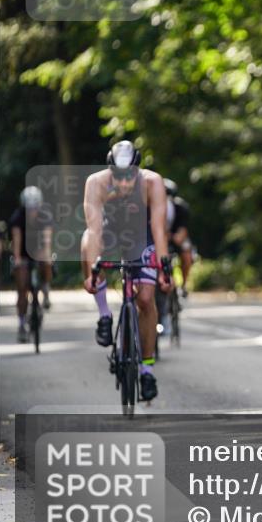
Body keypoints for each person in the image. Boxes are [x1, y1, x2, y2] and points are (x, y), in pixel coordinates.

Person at [81, 141, 172, 401]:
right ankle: (104, 315)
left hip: (141, 237)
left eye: (129, 176)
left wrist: (165, 268)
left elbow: (158, 228)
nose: (123, 183)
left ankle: (146, 369)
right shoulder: (96, 183)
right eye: (118, 177)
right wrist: (94, 270)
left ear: (137, 169)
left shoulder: (153, 183)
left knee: (145, 299)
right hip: (109, 232)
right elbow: (95, 230)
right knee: (86, 239)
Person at [9, 187, 54, 342]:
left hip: (39, 249)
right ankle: (21, 324)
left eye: (35, 207)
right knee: (22, 289)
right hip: (22, 253)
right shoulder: (18, 217)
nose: (32, 211)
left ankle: (46, 289)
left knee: (47, 262)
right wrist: (17, 259)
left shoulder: (45, 217)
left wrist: (46, 255)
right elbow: (16, 239)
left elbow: (47, 239)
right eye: (29, 208)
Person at [156, 178, 193, 336]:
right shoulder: (151, 206)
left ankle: (183, 285)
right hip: (160, 238)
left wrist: (174, 238)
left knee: (186, 253)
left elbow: (183, 231)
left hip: (175, 237)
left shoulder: (180, 208)